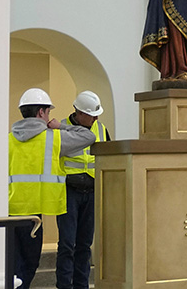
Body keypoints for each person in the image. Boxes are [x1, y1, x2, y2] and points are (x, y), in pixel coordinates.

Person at [9, 88, 94, 289]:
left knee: (12, 266)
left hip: (9, 212)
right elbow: (87, 136)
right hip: (33, 217)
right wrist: (59, 127)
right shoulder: (54, 138)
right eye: (48, 112)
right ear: (41, 113)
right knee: (28, 265)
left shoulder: (9, 139)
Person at [57, 90, 109, 289]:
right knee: (67, 245)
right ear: (78, 112)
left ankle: (81, 286)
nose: (96, 118)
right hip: (68, 192)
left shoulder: (101, 129)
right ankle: (64, 286)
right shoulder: (61, 128)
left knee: (85, 245)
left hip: (92, 192)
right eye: (91, 115)